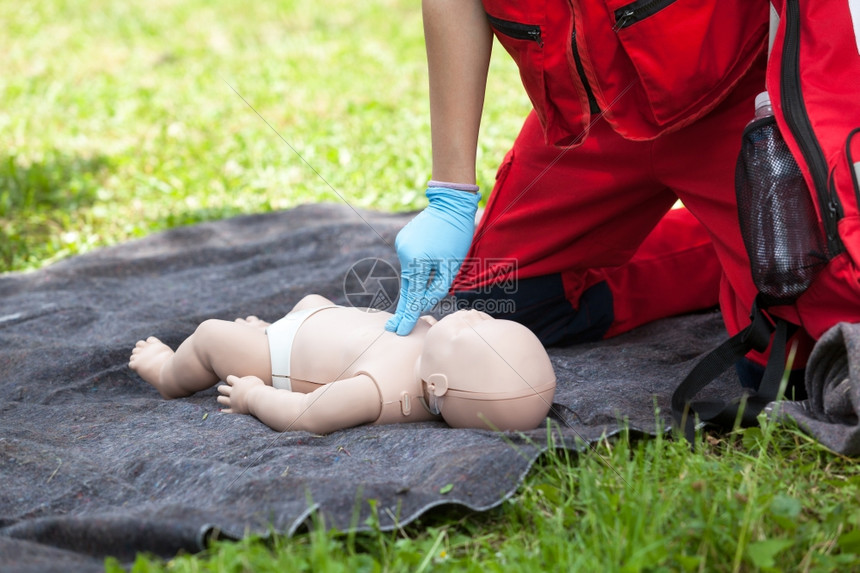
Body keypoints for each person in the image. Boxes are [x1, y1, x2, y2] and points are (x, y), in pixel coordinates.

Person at [385, 0, 854, 390]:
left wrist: (798, 123)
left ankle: (743, 248)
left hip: (734, 98)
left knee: (792, 351)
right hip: (592, 121)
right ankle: (722, 252)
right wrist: (451, 195)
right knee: (495, 300)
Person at [129, 294, 556, 434]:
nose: (475, 316)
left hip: (278, 356)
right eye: (492, 321)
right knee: (314, 301)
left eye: (470, 332)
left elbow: (307, 414)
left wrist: (255, 395)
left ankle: (168, 372)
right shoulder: (437, 357)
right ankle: (266, 328)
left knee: (211, 336)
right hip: (314, 320)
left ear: (439, 385)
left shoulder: (379, 393)